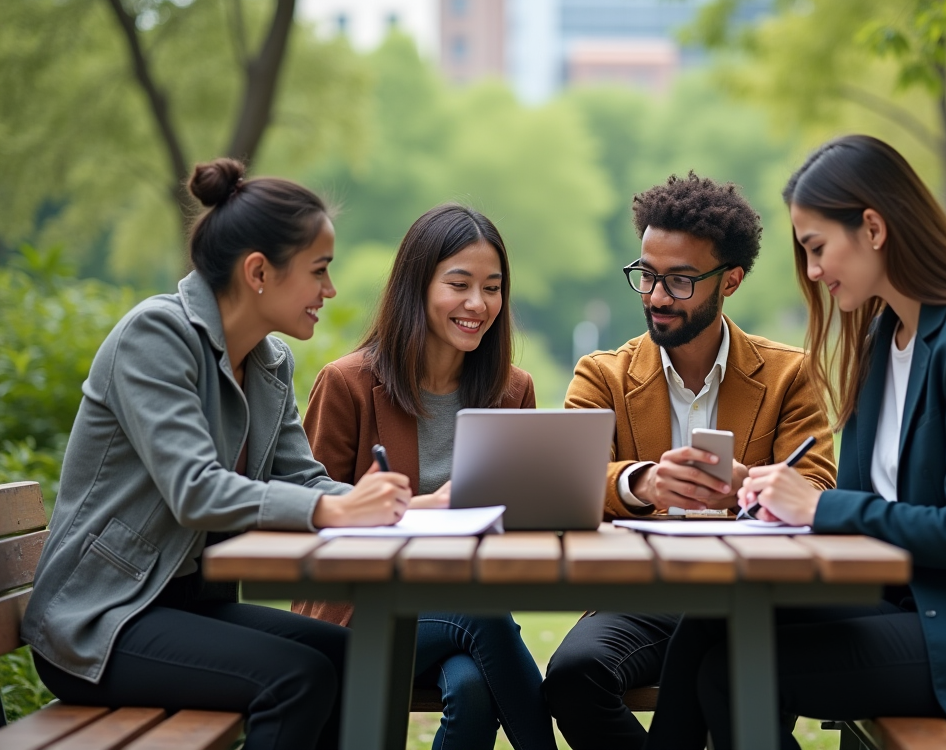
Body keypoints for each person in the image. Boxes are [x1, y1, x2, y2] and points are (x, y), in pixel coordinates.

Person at [644, 136, 946, 750]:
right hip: (913, 606)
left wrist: (818, 506)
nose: (815, 271)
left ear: (873, 228)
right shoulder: (887, 339)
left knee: (732, 670)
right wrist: (765, 490)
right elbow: (864, 501)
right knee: (708, 626)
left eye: (818, 248)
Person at [20, 159, 411, 750]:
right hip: (101, 619)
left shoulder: (267, 361)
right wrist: (335, 512)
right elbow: (196, 490)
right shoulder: (155, 337)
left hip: (184, 606)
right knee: (297, 679)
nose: (329, 291)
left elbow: (303, 479)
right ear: (259, 271)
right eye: (319, 271)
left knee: (361, 658)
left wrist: (401, 505)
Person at [543, 172, 838, 750]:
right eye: (646, 275)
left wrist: (745, 489)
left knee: (735, 682)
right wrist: (642, 482)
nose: (655, 296)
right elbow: (563, 482)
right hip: (639, 596)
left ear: (730, 280)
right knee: (574, 676)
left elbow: (817, 488)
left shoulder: (790, 375)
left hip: (748, 597)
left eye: (679, 281)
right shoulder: (601, 375)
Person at [291, 204, 556, 750]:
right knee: (485, 624)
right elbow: (307, 513)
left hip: (464, 608)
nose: (477, 304)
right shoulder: (347, 385)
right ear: (417, 284)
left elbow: (521, 521)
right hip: (362, 612)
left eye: (492, 287)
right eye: (458, 284)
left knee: (474, 687)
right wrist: (414, 510)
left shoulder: (513, 391)